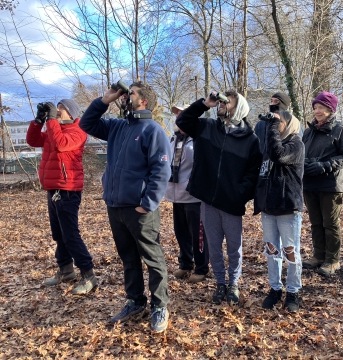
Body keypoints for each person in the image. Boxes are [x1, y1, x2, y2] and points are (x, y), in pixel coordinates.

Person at [80, 82, 171, 333]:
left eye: (130, 93)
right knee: (128, 258)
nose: (125, 96)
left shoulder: (153, 130)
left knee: (153, 258)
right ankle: (135, 301)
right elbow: (86, 124)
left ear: (143, 101)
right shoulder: (118, 126)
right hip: (116, 206)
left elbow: (161, 171)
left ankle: (159, 305)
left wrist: (148, 203)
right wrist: (104, 101)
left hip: (140, 209)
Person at [176, 90, 262, 306]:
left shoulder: (250, 139)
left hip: (231, 202)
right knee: (214, 246)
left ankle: (233, 283)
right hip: (208, 199)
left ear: (238, 107)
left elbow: (253, 173)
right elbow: (184, 120)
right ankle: (220, 283)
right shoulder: (207, 128)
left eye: (227, 102)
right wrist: (205, 104)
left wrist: (240, 194)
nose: (222, 105)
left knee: (234, 247)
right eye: (221, 102)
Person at [26, 99, 98, 295]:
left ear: (72, 113)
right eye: (55, 109)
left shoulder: (77, 131)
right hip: (53, 188)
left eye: (61, 109)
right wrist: (38, 120)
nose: (57, 112)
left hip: (68, 188)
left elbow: (60, 144)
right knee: (58, 234)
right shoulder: (53, 129)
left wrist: (50, 121)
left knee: (70, 234)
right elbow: (32, 141)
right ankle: (66, 270)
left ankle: (89, 274)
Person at [254, 111, 304, 313]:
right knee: (271, 251)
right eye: (274, 123)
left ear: (289, 124)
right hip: (269, 208)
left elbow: (278, 155)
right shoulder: (269, 146)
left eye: (279, 122)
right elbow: (263, 172)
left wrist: (272, 126)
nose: (274, 126)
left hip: (287, 207)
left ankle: (293, 291)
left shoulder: (296, 144)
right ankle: (275, 289)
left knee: (290, 252)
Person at [301, 91, 343, 276]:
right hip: (309, 184)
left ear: (330, 109)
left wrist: (325, 166)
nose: (317, 111)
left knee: (330, 223)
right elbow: (300, 152)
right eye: (315, 107)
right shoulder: (308, 132)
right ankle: (318, 255)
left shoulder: (339, 130)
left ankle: (333, 260)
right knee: (315, 222)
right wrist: (305, 163)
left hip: (330, 185)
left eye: (321, 108)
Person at [164, 105, 209, 283]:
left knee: (197, 234)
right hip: (175, 194)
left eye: (182, 114)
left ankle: (201, 267)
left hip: (193, 196)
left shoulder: (198, 139)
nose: (178, 118)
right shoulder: (173, 139)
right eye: (176, 115)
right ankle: (185, 264)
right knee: (180, 231)